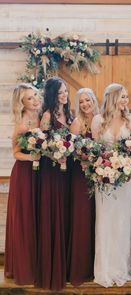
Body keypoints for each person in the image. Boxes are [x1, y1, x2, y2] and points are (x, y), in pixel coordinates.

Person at [91, 83, 131, 287]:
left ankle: (121, 267)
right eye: (123, 96)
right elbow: (94, 150)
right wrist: (103, 166)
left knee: (123, 219)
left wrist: (126, 165)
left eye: (127, 97)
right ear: (112, 98)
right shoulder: (98, 120)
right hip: (104, 179)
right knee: (105, 220)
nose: (126, 100)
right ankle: (105, 268)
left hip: (126, 178)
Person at [36, 77, 73, 290]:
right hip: (51, 172)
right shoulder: (48, 116)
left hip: (67, 171)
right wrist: (55, 155)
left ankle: (65, 264)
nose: (64, 95)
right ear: (52, 94)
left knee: (65, 211)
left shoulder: (67, 114)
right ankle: (52, 268)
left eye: (66, 91)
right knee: (54, 212)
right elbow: (42, 146)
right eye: (60, 92)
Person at [4, 83, 41, 284]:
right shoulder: (21, 125)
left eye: (35, 95)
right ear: (22, 103)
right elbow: (15, 153)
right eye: (29, 98)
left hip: (41, 174)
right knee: (26, 218)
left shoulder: (43, 117)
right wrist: (31, 157)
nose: (35, 100)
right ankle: (25, 267)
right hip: (25, 174)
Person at [67, 88, 99, 286]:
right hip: (81, 176)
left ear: (94, 100)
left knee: (98, 217)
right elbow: (71, 150)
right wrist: (83, 159)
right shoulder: (77, 123)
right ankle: (81, 266)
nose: (86, 104)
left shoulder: (100, 118)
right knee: (83, 216)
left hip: (101, 175)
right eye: (82, 102)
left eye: (89, 100)